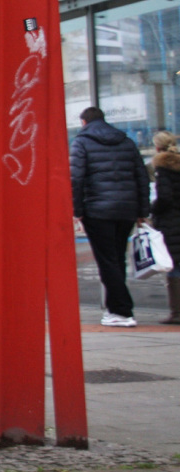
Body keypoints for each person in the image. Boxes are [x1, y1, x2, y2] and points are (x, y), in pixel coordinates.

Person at [70, 106, 149, 327]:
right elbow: (141, 177)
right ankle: (116, 309)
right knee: (117, 259)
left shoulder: (82, 142)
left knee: (107, 261)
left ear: (84, 122)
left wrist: (77, 211)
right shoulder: (126, 141)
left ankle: (123, 311)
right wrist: (143, 211)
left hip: (98, 210)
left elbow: (76, 179)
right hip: (126, 210)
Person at [150, 131, 180, 325]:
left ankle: (176, 312)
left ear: (158, 148)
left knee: (174, 267)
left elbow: (164, 198)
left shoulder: (163, 169)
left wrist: (153, 209)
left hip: (171, 222)